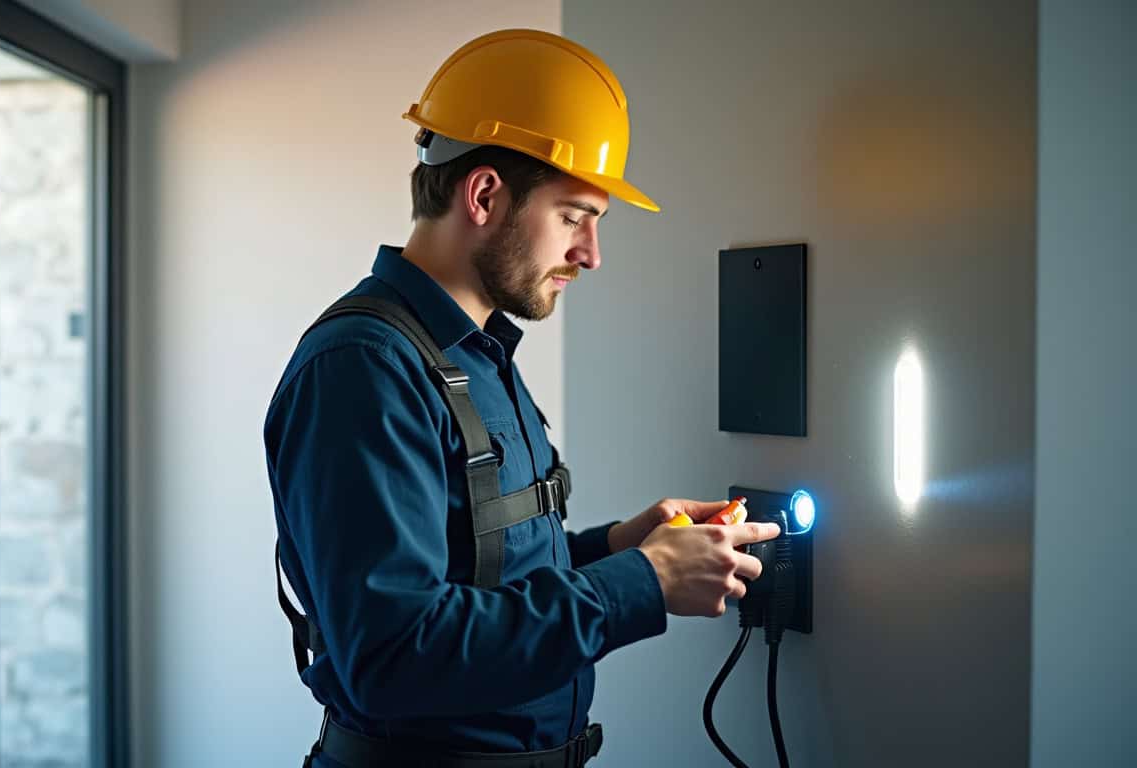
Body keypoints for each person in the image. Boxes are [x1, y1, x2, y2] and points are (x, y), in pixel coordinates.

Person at [264, 28, 780, 768]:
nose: (591, 254)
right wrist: (643, 582)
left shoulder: (475, 355)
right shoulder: (364, 371)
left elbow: (480, 578)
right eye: (574, 216)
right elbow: (392, 655)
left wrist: (618, 547)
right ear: (483, 194)